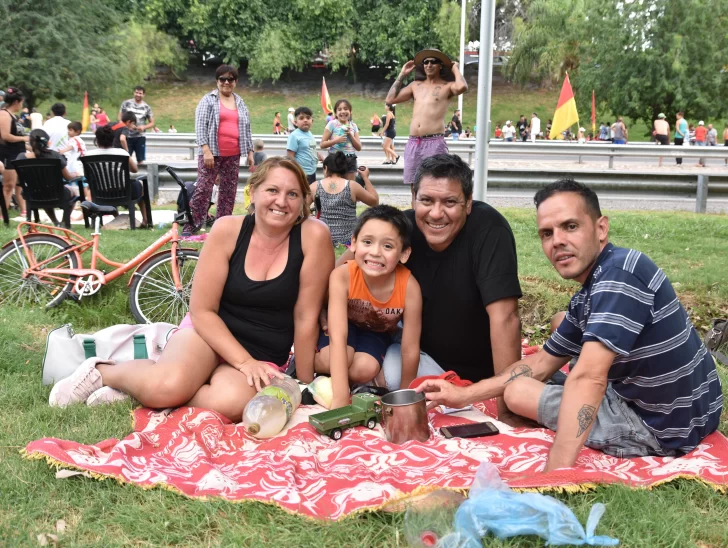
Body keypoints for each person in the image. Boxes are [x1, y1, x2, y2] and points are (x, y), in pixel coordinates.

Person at [418, 180, 722, 469]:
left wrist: (554, 474)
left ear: (601, 228)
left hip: (660, 427)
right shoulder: (606, 277)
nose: (558, 241)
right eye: (547, 233)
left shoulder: (619, 278)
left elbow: (589, 378)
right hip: (700, 408)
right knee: (559, 323)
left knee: (517, 392)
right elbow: (541, 364)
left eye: (570, 226)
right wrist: (462, 395)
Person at [48, 157, 335, 420]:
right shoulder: (227, 230)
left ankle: (145, 390)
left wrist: (304, 380)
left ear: (303, 202)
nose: (281, 201)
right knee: (167, 386)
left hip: (263, 349)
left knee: (231, 403)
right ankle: (104, 373)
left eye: (292, 194)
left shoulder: (313, 236)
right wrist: (243, 362)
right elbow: (202, 310)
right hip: (208, 332)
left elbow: (305, 316)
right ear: (254, 192)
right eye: (272, 190)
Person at [331, 154, 522, 422]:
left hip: (479, 370)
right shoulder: (401, 228)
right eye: (427, 200)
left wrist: (507, 410)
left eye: (450, 202)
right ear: (413, 197)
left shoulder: (489, 230)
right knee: (372, 366)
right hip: (420, 358)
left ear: (468, 203)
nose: (435, 213)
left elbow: (506, 317)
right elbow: (348, 263)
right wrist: (321, 308)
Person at [316, 205, 422, 408]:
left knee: (364, 369)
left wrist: (404, 398)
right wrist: (340, 398)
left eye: (388, 246)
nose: (375, 253)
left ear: (404, 254)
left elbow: (410, 349)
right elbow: (339, 336)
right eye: (367, 242)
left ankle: (339, 377)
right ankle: (314, 365)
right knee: (339, 356)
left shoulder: (410, 288)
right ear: (354, 243)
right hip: (344, 326)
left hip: (377, 332)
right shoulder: (342, 276)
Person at [185, 64, 255, 237]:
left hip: (233, 154)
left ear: (235, 82)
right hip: (211, 154)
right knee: (203, 189)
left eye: (230, 79)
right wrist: (206, 150)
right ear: (217, 81)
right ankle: (191, 227)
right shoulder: (208, 100)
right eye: (222, 79)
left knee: (228, 193)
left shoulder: (240, 102)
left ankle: (223, 229)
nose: (226, 82)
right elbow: (200, 126)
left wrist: (250, 152)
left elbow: (246, 128)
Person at [385, 48, 467, 186]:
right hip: (413, 142)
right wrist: (402, 74)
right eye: (426, 61)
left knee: (434, 185)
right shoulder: (415, 86)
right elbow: (390, 99)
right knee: (414, 187)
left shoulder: (447, 86)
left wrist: (454, 68)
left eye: (433, 61)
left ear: (440, 65)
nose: (429, 64)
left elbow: (462, 86)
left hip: (434, 142)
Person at [310, 152, 378, 247]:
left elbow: (300, 208)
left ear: (326, 168)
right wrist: (365, 178)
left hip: (322, 240)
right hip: (348, 242)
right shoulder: (352, 186)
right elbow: (374, 201)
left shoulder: (314, 186)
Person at [86, 125, 149, 227]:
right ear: (113, 138)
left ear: (97, 139)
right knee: (140, 183)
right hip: (124, 192)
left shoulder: (88, 155)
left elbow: (87, 176)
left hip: (100, 193)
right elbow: (134, 169)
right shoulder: (122, 153)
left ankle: (115, 218)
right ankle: (145, 220)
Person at [15, 129, 77, 224]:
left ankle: (55, 222)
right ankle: (64, 222)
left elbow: (18, 181)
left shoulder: (21, 157)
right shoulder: (55, 155)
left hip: (32, 194)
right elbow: (68, 177)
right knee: (74, 192)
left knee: (42, 191)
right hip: (57, 193)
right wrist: (75, 174)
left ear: (31, 142)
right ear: (47, 142)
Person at [0, 87, 29, 214]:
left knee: (19, 183)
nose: (22, 105)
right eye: (21, 102)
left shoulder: (14, 116)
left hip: (17, 153)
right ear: (16, 101)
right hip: (8, 154)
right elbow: (5, 136)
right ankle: (3, 213)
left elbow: (16, 137)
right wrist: (24, 138)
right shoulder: (4, 114)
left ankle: (24, 210)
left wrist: (28, 145)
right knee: (8, 185)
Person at [320, 99, 362, 181]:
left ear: (350, 111)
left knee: (349, 186)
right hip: (334, 158)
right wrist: (336, 140)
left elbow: (359, 147)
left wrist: (350, 135)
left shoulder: (353, 125)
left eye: (346, 109)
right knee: (333, 185)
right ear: (336, 113)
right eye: (339, 109)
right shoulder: (332, 124)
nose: (343, 111)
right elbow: (322, 144)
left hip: (350, 159)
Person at [286, 106, 323, 184]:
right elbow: (290, 155)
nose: (305, 120)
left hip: (312, 171)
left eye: (308, 118)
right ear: (296, 122)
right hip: (301, 173)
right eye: (301, 118)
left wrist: (318, 155)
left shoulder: (310, 134)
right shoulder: (294, 135)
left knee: (310, 193)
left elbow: (310, 149)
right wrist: (297, 170)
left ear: (312, 121)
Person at [118, 86, 154, 163]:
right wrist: (126, 126)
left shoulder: (146, 107)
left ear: (143, 95)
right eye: (136, 92)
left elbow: (152, 123)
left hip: (140, 137)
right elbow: (120, 118)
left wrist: (144, 127)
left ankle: (140, 173)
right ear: (134, 93)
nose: (138, 94)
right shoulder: (126, 103)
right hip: (126, 136)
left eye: (140, 93)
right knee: (125, 159)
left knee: (140, 160)